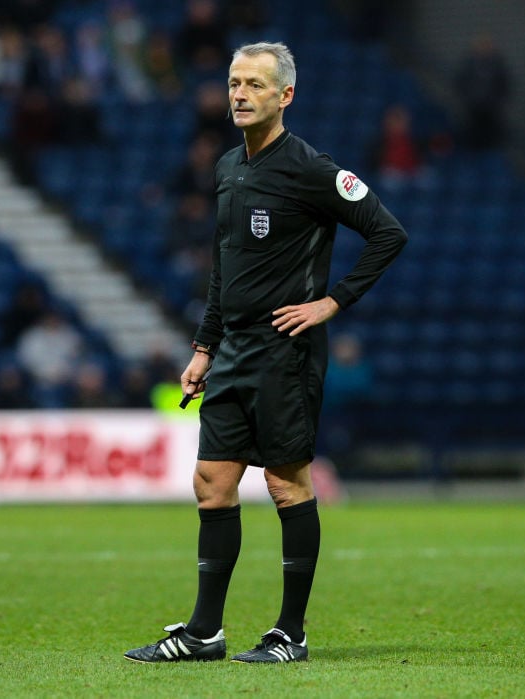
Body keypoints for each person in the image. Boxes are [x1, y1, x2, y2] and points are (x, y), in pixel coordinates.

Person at [125, 41, 407, 664]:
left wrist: (331, 303)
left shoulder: (310, 168)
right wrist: (204, 346)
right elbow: (226, 269)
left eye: (254, 84)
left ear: (285, 96)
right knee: (212, 483)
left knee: (285, 485)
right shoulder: (229, 167)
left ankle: (291, 632)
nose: (239, 94)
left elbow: (389, 233)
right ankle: (204, 633)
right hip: (232, 352)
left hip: (286, 353)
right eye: (233, 82)